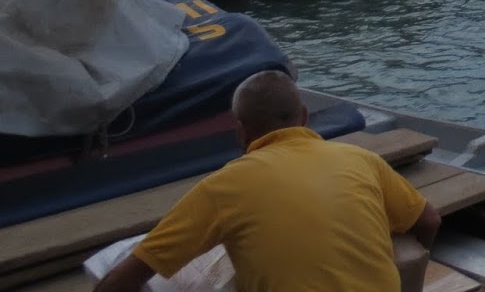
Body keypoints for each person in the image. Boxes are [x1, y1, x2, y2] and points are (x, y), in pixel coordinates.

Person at [92, 70, 441, 292]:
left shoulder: (224, 187)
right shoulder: (361, 159)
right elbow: (428, 220)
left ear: (240, 131)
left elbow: (125, 278)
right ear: (304, 116)